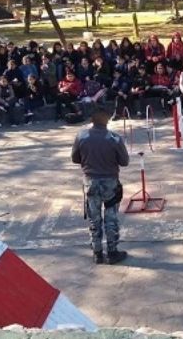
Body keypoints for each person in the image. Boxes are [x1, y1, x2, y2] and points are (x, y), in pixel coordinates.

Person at [71, 108, 130, 265]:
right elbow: (124, 162)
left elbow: (75, 159)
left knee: (93, 217)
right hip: (110, 182)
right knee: (111, 217)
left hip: (90, 181)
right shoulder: (115, 138)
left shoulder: (81, 136)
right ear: (107, 120)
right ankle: (112, 252)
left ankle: (97, 252)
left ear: (92, 120)